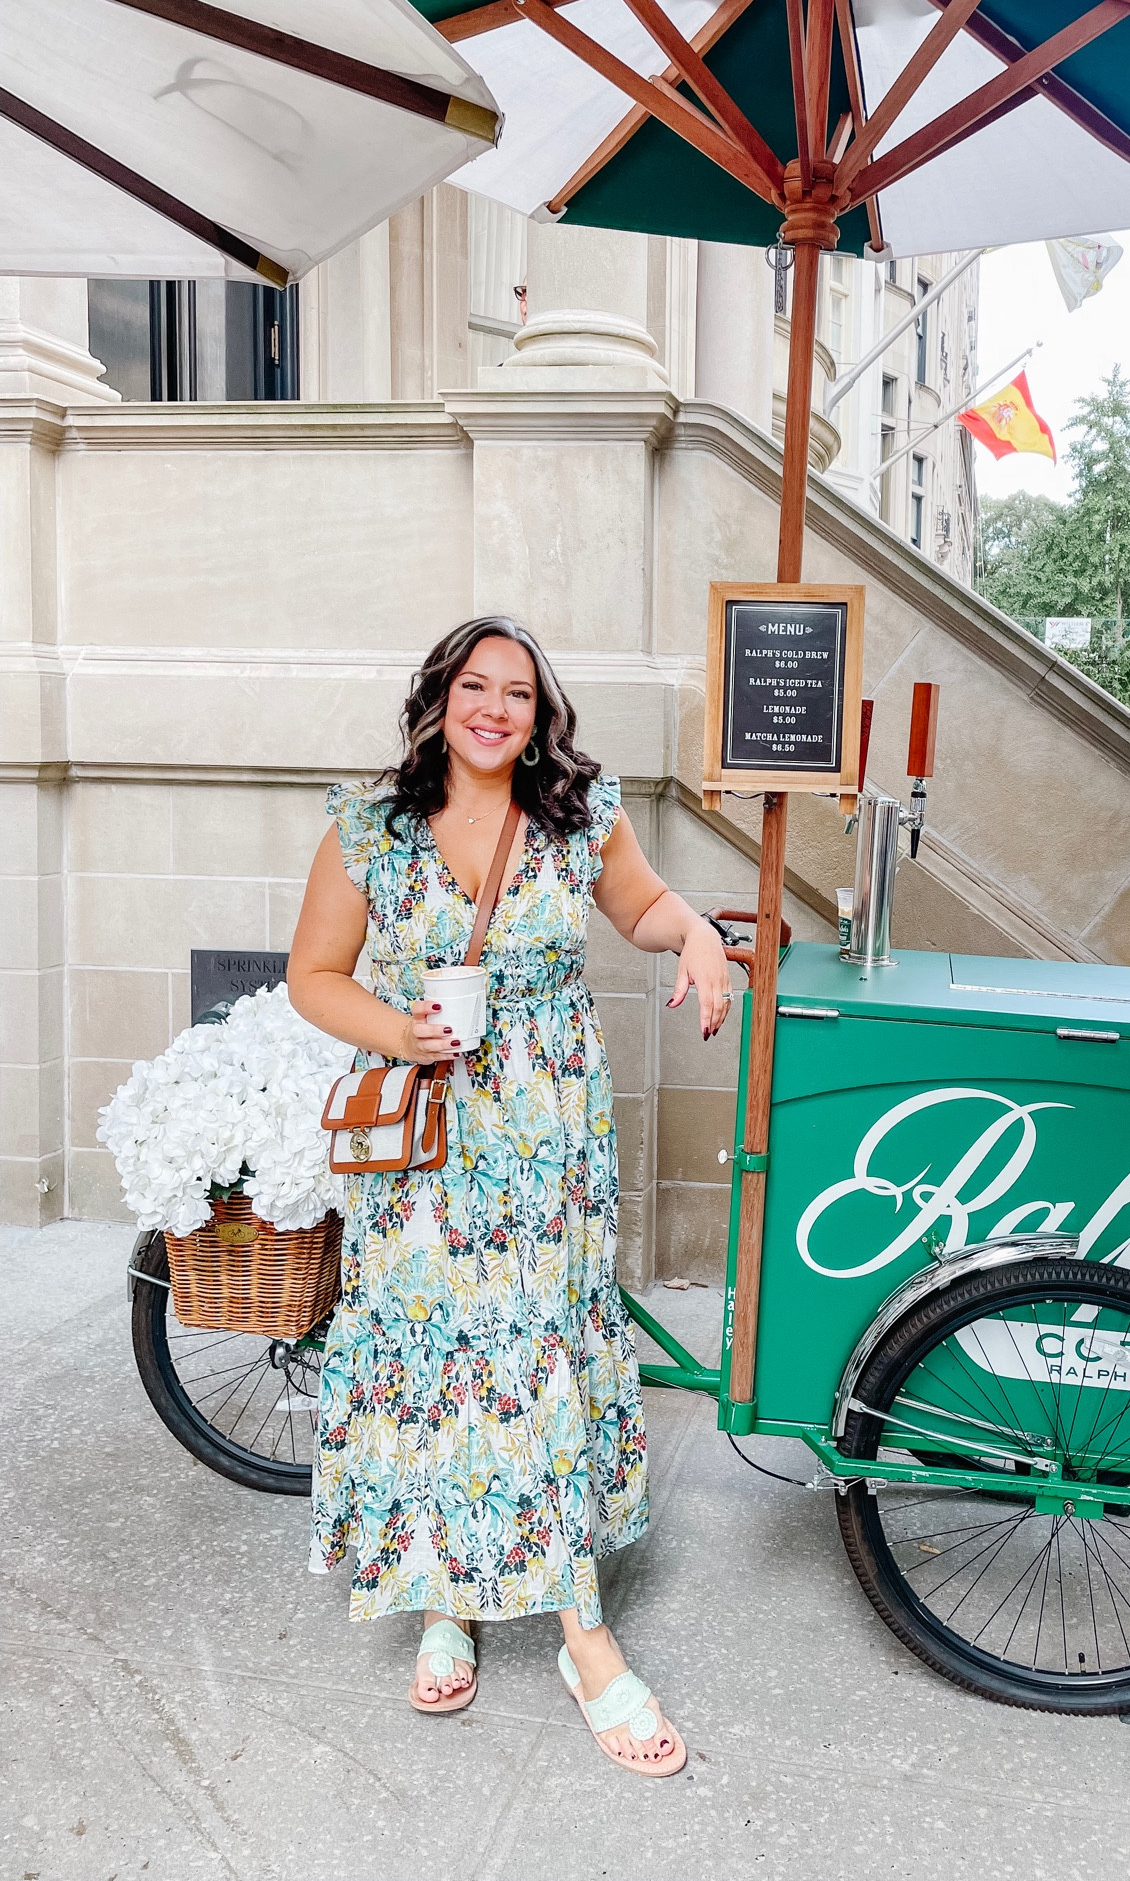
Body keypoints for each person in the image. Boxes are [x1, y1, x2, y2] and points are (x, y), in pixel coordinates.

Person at [288, 615, 731, 1777]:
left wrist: (698, 938)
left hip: (546, 1134)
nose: (494, 707)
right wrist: (400, 1028)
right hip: (421, 1132)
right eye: (474, 685)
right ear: (439, 697)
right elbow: (313, 975)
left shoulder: (579, 810)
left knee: (531, 1349)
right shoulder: (370, 826)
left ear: (541, 714)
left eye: (518, 693)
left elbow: (640, 909)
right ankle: (451, 1590)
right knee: (434, 1355)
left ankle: (580, 1631)